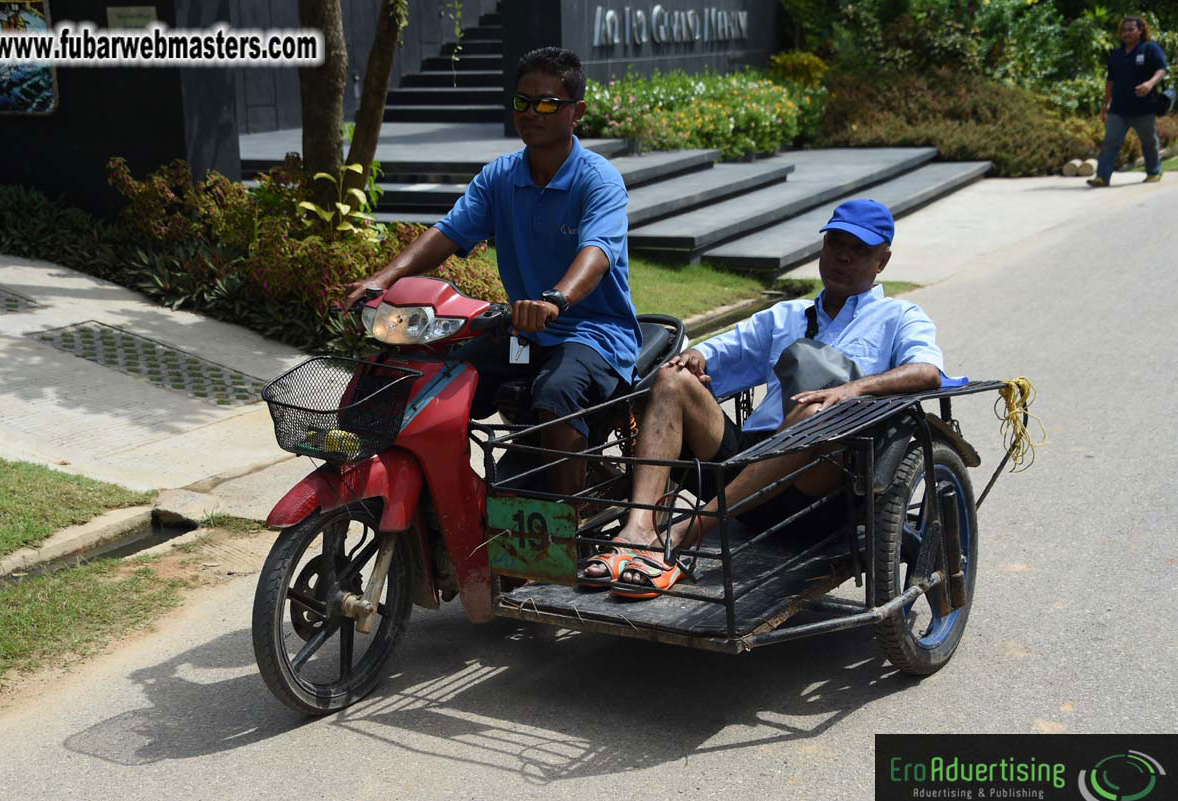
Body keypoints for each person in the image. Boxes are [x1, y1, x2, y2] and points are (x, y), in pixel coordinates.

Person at [582, 199, 964, 596]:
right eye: (836, 244)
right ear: (823, 246)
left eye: (860, 250)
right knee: (671, 377)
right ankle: (636, 531)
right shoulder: (785, 316)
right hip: (747, 464)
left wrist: (852, 389)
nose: (844, 257)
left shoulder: (899, 317)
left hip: (821, 487)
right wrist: (697, 356)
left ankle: (680, 533)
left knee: (815, 410)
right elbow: (718, 352)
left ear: (882, 261)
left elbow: (927, 372)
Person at [344, 47, 640, 497]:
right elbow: (448, 233)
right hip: (524, 330)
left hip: (593, 331)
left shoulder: (597, 180)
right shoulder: (501, 177)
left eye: (547, 104)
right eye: (523, 101)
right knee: (435, 381)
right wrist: (383, 279)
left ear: (576, 112)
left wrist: (554, 300)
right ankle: (447, 507)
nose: (532, 113)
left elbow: (596, 254)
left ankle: (562, 527)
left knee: (556, 395)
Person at [1088, 16, 1169, 187]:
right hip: (1118, 109)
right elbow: (1110, 81)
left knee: (1148, 141)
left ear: (1140, 30)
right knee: (1110, 142)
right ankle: (1102, 177)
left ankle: (1153, 172)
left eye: (1131, 29)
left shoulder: (1150, 48)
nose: (1126, 33)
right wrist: (1105, 104)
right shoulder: (1116, 55)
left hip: (1143, 107)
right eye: (1124, 30)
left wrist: (1149, 83)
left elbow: (1162, 69)